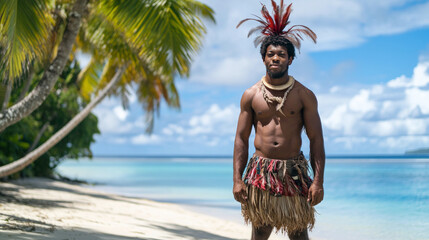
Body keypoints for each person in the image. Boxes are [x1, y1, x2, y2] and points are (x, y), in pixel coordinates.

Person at [233, 1, 325, 240]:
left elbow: (316, 140)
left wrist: (317, 182)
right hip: (261, 172)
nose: (276, 58)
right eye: (270, 54)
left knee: (298, 234)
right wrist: (237, 180)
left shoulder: (304, 95)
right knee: (260, 233)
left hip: (293, 171)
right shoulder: (251, 95)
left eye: (281, 55)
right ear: (263, 58)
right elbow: (241, 139)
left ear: (290, 60)